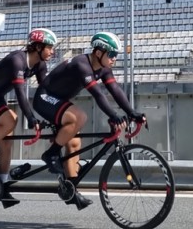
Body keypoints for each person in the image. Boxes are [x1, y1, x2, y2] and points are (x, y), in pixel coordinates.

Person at [32, 31, 145, 211]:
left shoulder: (104, 67)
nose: (114, 58)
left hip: (59, 101)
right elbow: (98, 95)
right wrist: (113, 116)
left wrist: (132, 112)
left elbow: (115, 90)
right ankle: (51, 154)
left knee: (74, 144)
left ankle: (70, 189)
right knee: (79, 116)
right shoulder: (81, 65)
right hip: (44, 98)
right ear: (98, 52)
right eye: (112, 54)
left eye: (116, 55)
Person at [0, 27, 57, 208]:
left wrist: (56, 118)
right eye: (49, 47)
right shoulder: (17, 60)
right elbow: (20, 93)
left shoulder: (40, 65)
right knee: (11, 119)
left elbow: (44, 94)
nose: (52, 51)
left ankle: (2, 186)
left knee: (7, 144)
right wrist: (31, 118)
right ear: (38, 47)